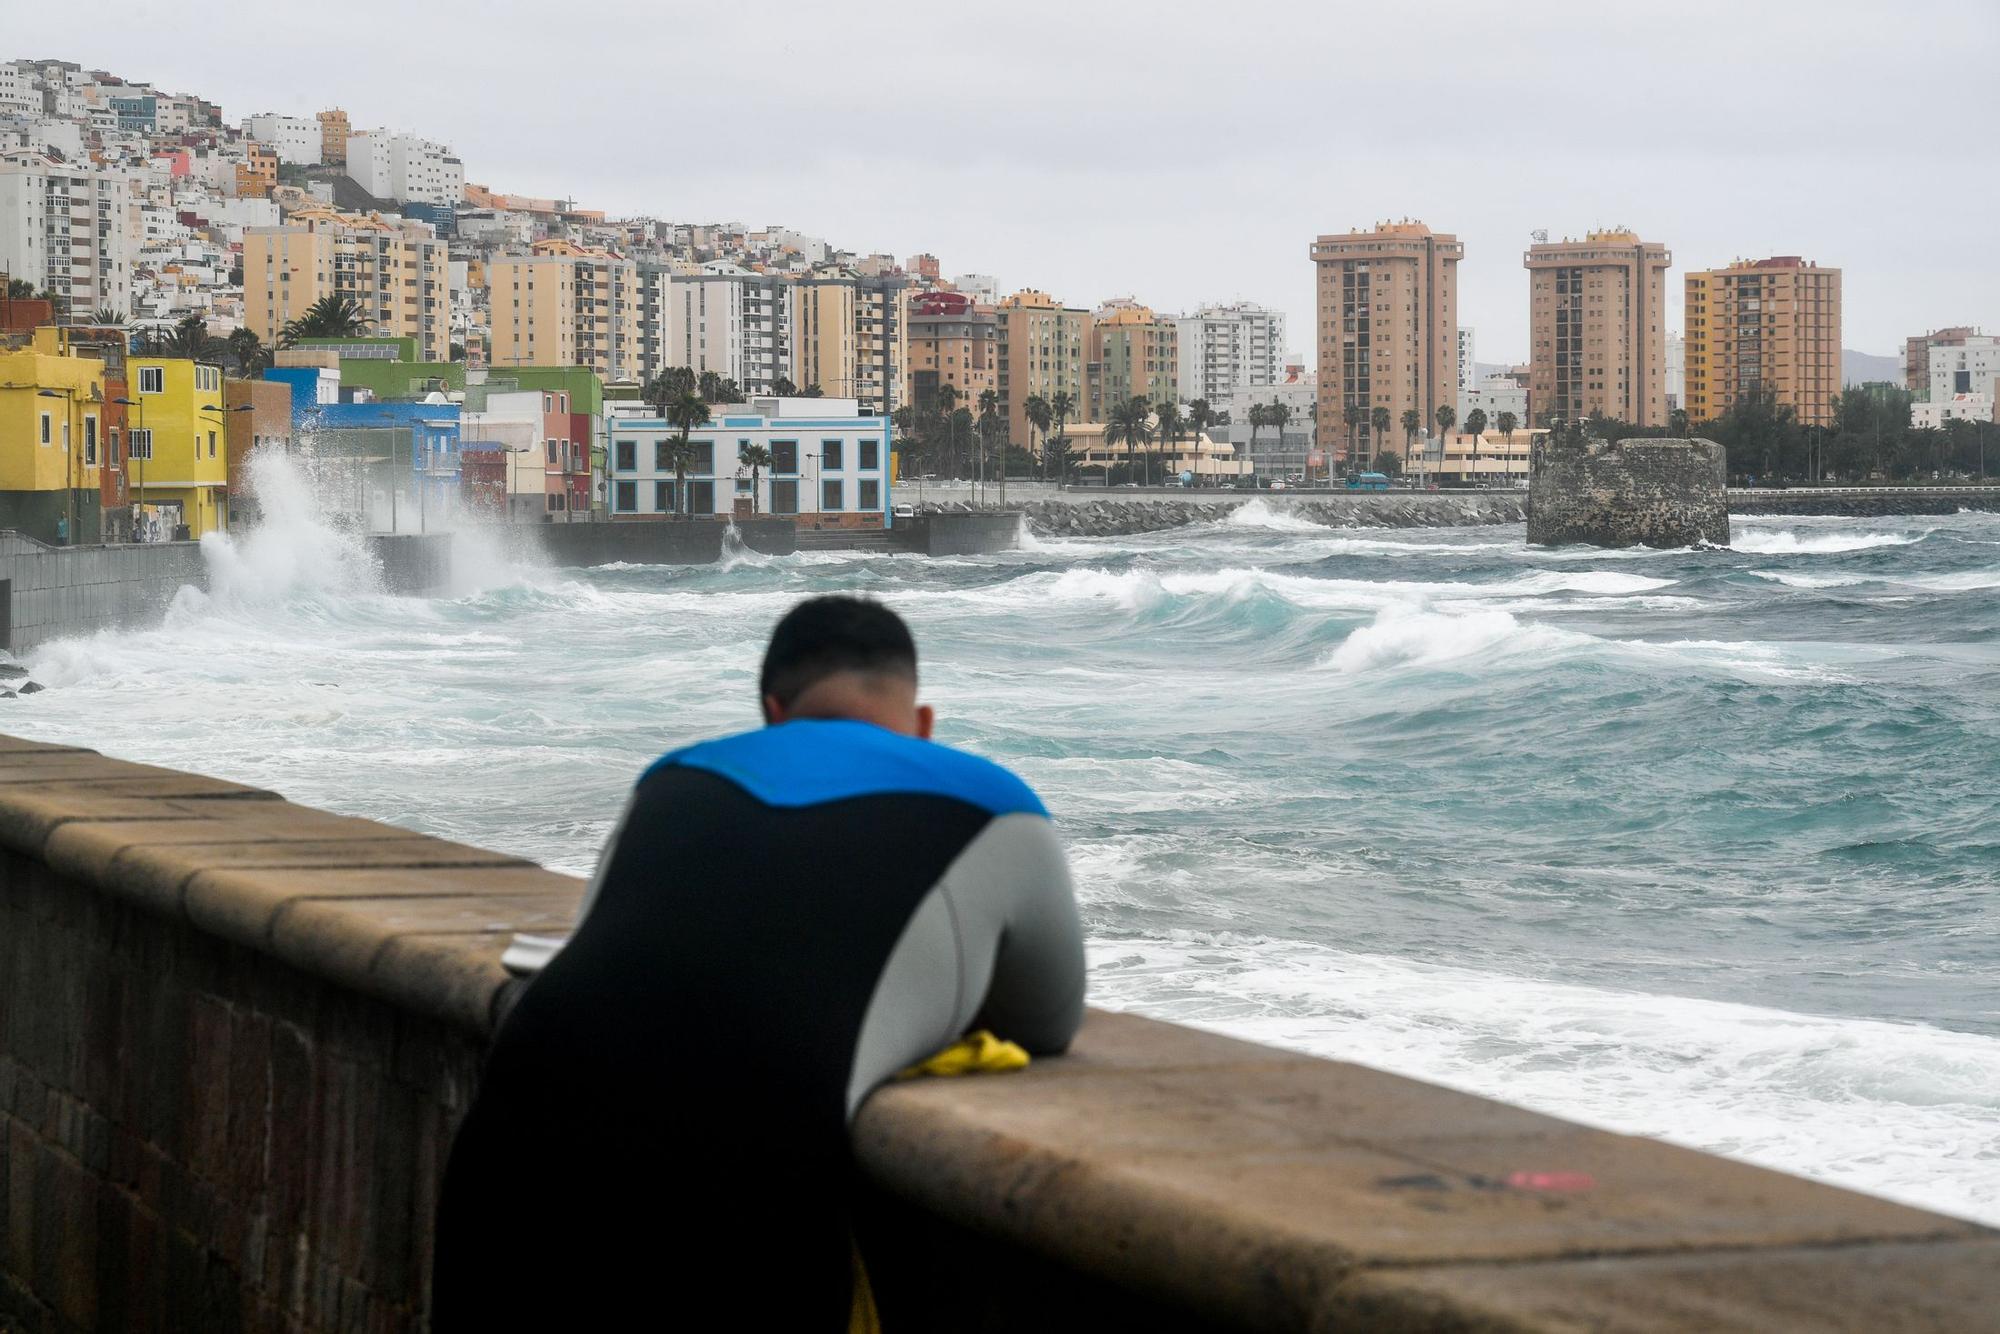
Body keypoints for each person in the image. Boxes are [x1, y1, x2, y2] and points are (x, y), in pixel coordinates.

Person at [433, 595, 1085, 1329]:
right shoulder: (996, 802)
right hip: (745, 1189)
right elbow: (1046, 1021)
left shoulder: (672, 778)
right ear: (924, 724)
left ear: (773, 710)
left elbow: (590, 947)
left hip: (514, 1154)